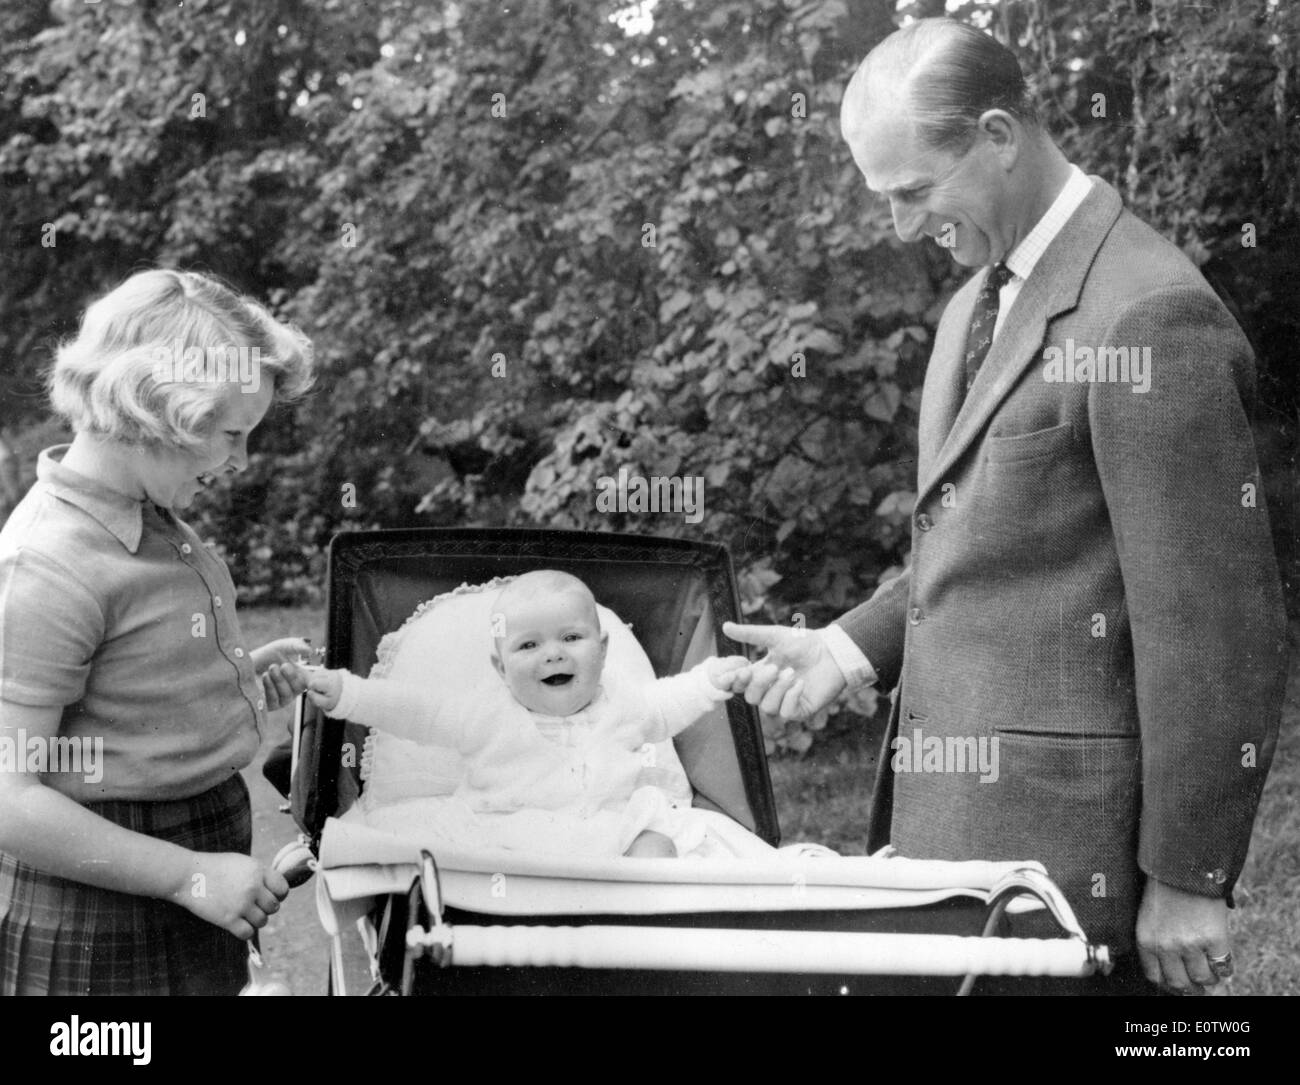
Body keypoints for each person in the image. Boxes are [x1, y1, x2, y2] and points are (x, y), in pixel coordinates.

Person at [726, 18, 1287, 994]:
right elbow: (990, 535)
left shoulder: (1148, 311)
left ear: (997, 133)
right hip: (949, 839)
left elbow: (1209, 616)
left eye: (912, 191)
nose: (900, 227)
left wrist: (1190, 876)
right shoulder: (969, 305)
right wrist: (845, 647)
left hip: (1071, 863)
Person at [0, 269, 316, 995]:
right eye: (233, 434)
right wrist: (190, 873)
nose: (240, 461)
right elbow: (9, 797)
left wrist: (232, 679)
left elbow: (130, 683)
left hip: (188, 876)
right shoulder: (49, 563)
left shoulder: (150, 516)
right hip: (100, 910)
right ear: (158, 407)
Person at [297, 570, 749, 858]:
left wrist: (711, 680)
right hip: (508, 836)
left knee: (657, 848)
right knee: (460, 867)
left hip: (610, 835)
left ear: (603, 649)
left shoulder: (625, 704)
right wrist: (348, 694)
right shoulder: (484, 714)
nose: (552, 655)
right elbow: (416, 712)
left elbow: (670, 702)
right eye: (529, 646)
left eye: (571, 638)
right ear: (501, 667)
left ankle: (643, 937)